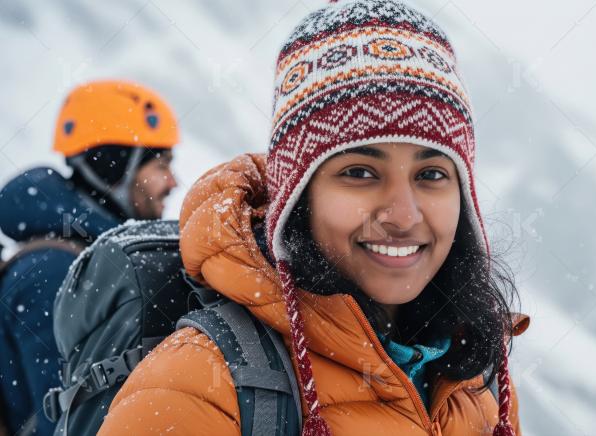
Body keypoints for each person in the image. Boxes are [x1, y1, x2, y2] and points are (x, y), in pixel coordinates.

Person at [100, 1, 529, 434]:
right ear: (297, 197)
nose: (403, 215)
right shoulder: (194, 391)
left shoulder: (473, 381)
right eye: (360, 173)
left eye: (432, 174)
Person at [0, 79, 179, 435]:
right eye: (160, 165)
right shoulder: (52, 271)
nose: (173, 181)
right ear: (114, 168)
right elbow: (65, 424)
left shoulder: (91, 259)